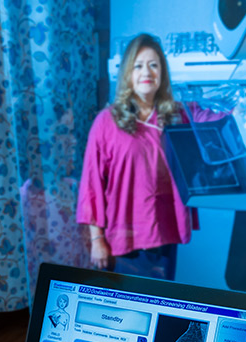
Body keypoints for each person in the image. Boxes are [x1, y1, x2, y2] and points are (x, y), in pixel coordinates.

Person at [77, 33, 216, 280]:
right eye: (139, 65)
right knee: (124, 311)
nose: (147, 72)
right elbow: (92, 185)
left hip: (163, 233)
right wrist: (97, 239)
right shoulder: (107, 122)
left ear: (162, 72)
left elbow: (216, 119)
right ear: (128, 73)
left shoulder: (177, 115)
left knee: (159, 304)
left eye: (154, 65)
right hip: (123, 238)